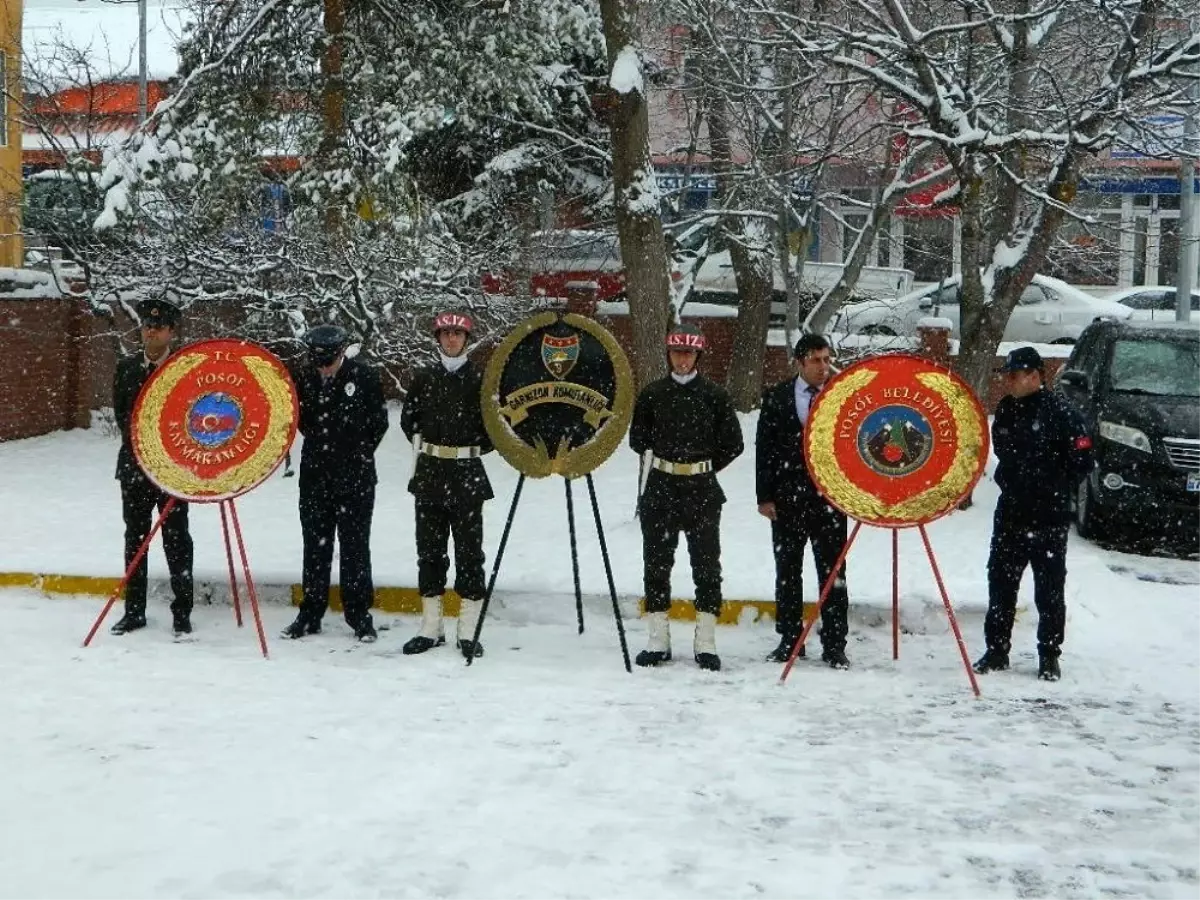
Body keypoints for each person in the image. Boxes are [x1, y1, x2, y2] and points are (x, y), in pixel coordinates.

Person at [974, 346, 1094, 681]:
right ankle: (997, 650)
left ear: (1034, 376)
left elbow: (1082, 459)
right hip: (1012, 511)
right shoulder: (1008, 409)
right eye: (1006, 375)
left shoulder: (1061, 412)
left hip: (1048, 515)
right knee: (1000, 583)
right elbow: (1002, 450)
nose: (1008, 381)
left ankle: (1049, 654)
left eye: (1013, 375)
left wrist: (1052, 485)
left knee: (1049, 588)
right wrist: (1009, 479)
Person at [629, 323, 744, 671]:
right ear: (669, 355)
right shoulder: (652, 394)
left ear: (698, 356)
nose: (683, 359)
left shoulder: (715, 396)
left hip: (702, 492)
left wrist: (703, 465)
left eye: (689, 353)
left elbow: (734, 443)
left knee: (707, 567)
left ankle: (705, 642)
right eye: (677, 352)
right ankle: (657, 639)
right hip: (661, 489)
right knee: (656, 565)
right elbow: (638, 439)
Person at [282, 325, 389, 643]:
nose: (324, 366)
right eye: (318, 360)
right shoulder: (302, 378)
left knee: (355, 548)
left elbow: (378, 423)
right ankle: (310, 612)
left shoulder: (364, 377)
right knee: (315, 547)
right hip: (315, 478)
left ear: (342, 352)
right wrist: (324, 450)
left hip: (355, 478)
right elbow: (300, 421)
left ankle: (358, 615)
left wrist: (350, 453)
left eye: (329, 359)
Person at [399, 310, 494, 659]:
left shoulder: (482, 379)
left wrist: (469, 448)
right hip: (430, 474)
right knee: (430, 552)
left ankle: (467, 631)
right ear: (437, 338)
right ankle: (431, 628)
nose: (451, 339)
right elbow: (409, 422)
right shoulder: (424, 377)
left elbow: (494, 431)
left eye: (457, 334)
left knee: (470, 554)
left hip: (468, 474)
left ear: (467, 340)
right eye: (446, 333)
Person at [755, 333, 851, 669]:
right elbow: (764, 449)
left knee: (833, 575)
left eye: (827, 359)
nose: (824, 367)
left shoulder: (842, 395)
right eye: (816, 360)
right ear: (800, 362)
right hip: (787, 501)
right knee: (787, 572)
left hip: (831, 501)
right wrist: (764, 496)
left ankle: (835, 644)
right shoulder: (778, 397)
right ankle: (790, 639)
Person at [111, 297, 196, 637]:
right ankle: (134, 612)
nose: (150, 332)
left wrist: (166, 456)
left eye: (158, 327)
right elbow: (123, 416)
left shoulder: (183, 370)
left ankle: (182, 610)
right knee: (135, 540)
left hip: (173, 472)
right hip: (134, 468)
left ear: (171, 332)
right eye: (147, 326)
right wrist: (144, 452)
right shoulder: (128, 367)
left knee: (177, 541)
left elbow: (192, 422)